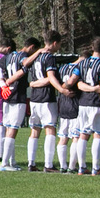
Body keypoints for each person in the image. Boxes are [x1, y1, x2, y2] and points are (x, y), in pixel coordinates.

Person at [26, 31, 68, 172]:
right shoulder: (49, 57)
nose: (60, 46)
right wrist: (62, 90)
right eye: (60, 44)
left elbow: (27, 68)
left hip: (34, 98)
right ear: (55, 43)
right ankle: (48, 165)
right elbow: (51, 77)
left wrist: (33, 84)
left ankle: (31, 163)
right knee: (50, 129)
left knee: (35, 130)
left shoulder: (36, 56)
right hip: (46, 98)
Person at [0, 37, 34, 172]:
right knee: (13, 129)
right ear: (31, 48)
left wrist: (2, 85)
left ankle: (10, 161)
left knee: (7, 128)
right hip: (18, 94)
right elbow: (25, 63)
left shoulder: (7, 57)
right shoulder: (22, 55)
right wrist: (38, 54)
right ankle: (5, 163)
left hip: (7, 94)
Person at [75, 36, 100, 176]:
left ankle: (81, 168)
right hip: (96, 104)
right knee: (98, 135)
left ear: (92, 48)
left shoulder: (82, 64)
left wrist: (88, 88)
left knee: (83, 135)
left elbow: (77, 82)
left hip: (83, 103)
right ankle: (96, 169)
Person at [57, 48, 87, 173]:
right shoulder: (79, 68)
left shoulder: (63, 67)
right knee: (76, 137)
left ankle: (62, 166)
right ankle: (72, 167)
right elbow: (71, 82)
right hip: (74, 104)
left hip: (62, 104)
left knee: (63, 137)